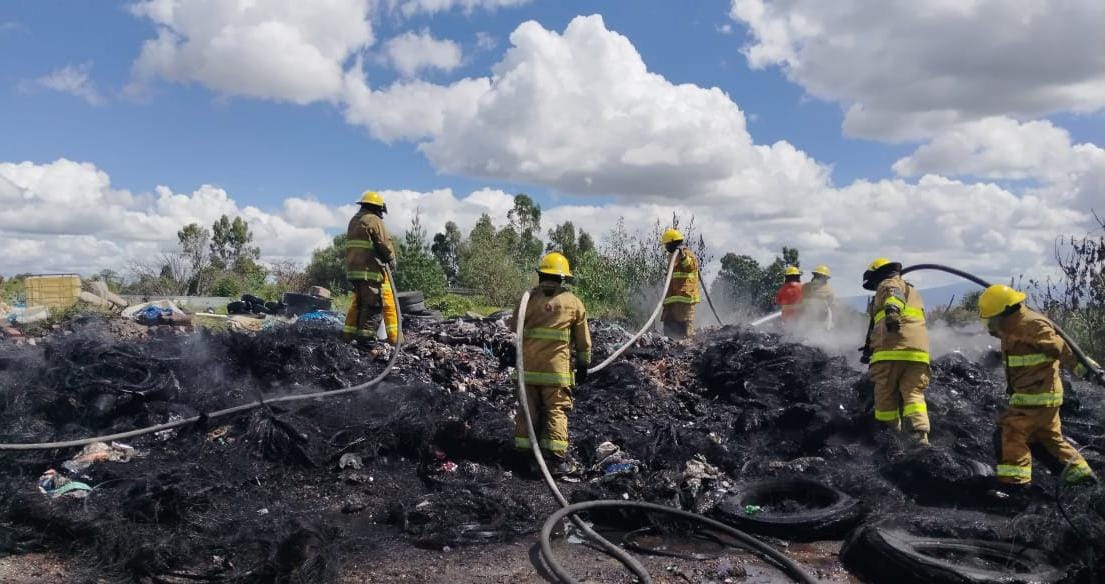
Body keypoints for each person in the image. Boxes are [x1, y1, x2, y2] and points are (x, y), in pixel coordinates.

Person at [978, 284, 1098, 486]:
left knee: (1011, 431)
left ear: (1006, 312)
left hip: (1037, 397)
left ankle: (1015, 484)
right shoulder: (1011, 326)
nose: (992, 324)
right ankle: (1082, 478)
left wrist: (1087, 370)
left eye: (994, 318)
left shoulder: (1034, 325)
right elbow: (1002, 334)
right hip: (1034, 396)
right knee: (1048, 438)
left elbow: (1063, 349)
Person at [508, 252, 591, 476]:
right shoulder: (572, 302)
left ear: (541, 274)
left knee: (527, 410)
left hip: (527, 369)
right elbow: (583, 340)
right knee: (556, 410)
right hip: (556, 373)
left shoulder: (530, 299)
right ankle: (556, 461)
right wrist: (583, 364)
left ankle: (524, 457)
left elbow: (513, 325)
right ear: (563, 278)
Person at [861, 258, 931, 444]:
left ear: (878, 275)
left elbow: (893, 296)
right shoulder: (913, 291)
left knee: (885, 392)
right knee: (914, 394)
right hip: (918, 354)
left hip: (891, 349)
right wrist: (868, 348)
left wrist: (892, 311)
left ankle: (890, 435)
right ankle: (920, 435)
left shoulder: (889, 283)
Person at [342, 191, 400, 345]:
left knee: (360, 305)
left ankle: (349, 337)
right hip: (369, 272)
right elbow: (384, 243)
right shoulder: (373, 220)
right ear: (377, 208)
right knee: (373, 306)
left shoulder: (354, 220)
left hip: (354, 273)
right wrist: (391, 258)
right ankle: (366, 341)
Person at [660, 228, 701, 339]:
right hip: (672, 300)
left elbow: (690, 266)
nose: (666, 247)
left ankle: (686, 347)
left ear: (673, 242)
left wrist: (683, 256)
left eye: (667, 244)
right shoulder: (671, 256)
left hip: (685, 300)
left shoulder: (687, 254)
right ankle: (670, 345)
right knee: (669, 326)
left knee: (685, 328)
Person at [800, 264, 835, 330]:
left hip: (806, 318)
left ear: (814, 276)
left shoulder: (805, 286)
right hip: (821, 320)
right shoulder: (829, 290)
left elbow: (802, 297)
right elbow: (831, 303)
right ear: (825, 278)